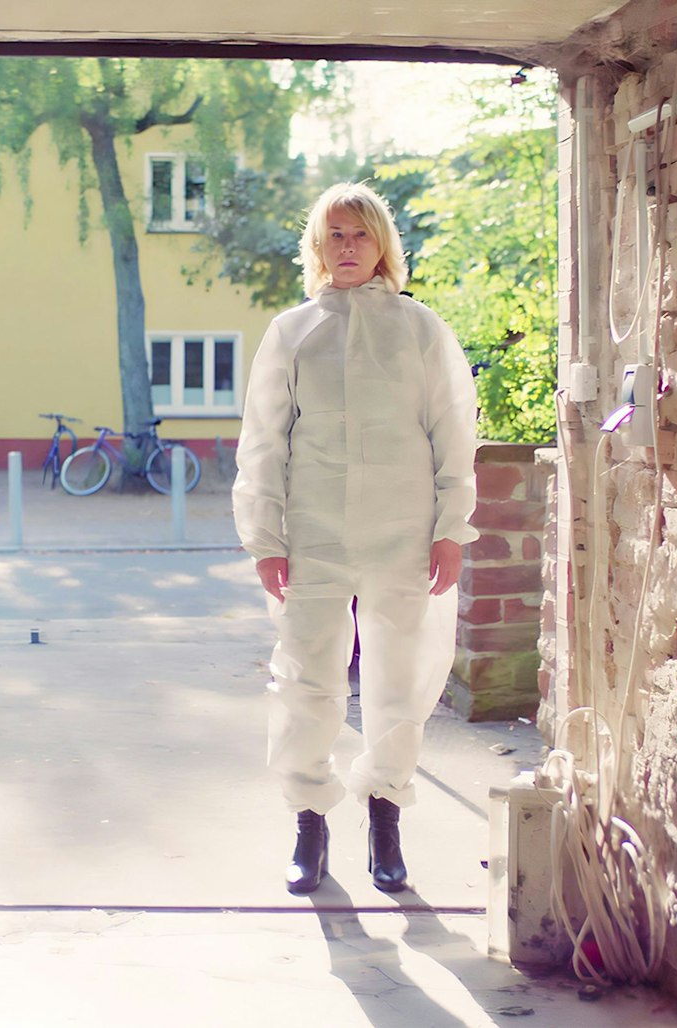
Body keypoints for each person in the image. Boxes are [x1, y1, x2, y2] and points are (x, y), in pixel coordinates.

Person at [231, 181, 478, 896]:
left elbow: (453, 434)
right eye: (334, 234)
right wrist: (265, 537)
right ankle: (309, 822)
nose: (347, 246)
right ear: (317, 246)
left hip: (404, 533)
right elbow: (263, 442)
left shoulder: (420, 329)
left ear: (382, 247)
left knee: (398, 678)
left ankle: (386, 818)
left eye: (360, 234)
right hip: (312, 534)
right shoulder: (291, 332)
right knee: (307, 678)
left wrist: (452, 529)